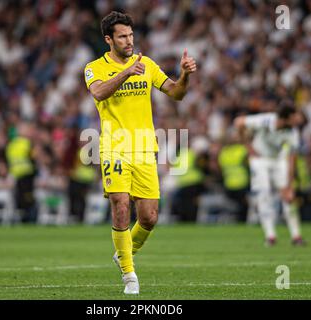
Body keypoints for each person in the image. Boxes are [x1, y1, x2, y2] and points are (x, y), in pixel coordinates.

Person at [84, 11, 196, 294]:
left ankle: (123, 253)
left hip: (145, 149)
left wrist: (184, 75)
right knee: (121, 205)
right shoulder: (94, 67)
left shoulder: (146, 64)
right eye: (122, 36)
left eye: (131, 35)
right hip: (114, 147)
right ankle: (129, 276)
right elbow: (98, 93)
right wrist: (125, 73)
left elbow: (176, 93)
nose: (129, 40)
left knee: (149, 217)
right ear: (109, 39)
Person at [234, 102, 306, 246]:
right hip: (260, 159)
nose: (298, 119)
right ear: (287, 117)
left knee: (288, 198)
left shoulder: (293, 132)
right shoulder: (266, 120)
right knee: (264, 194)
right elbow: (239, 122)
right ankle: (270, 236)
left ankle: (296, 236)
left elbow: (292, 159)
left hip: (279, 159)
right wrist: (249, 148)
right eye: (295, 116)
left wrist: (289, 186)